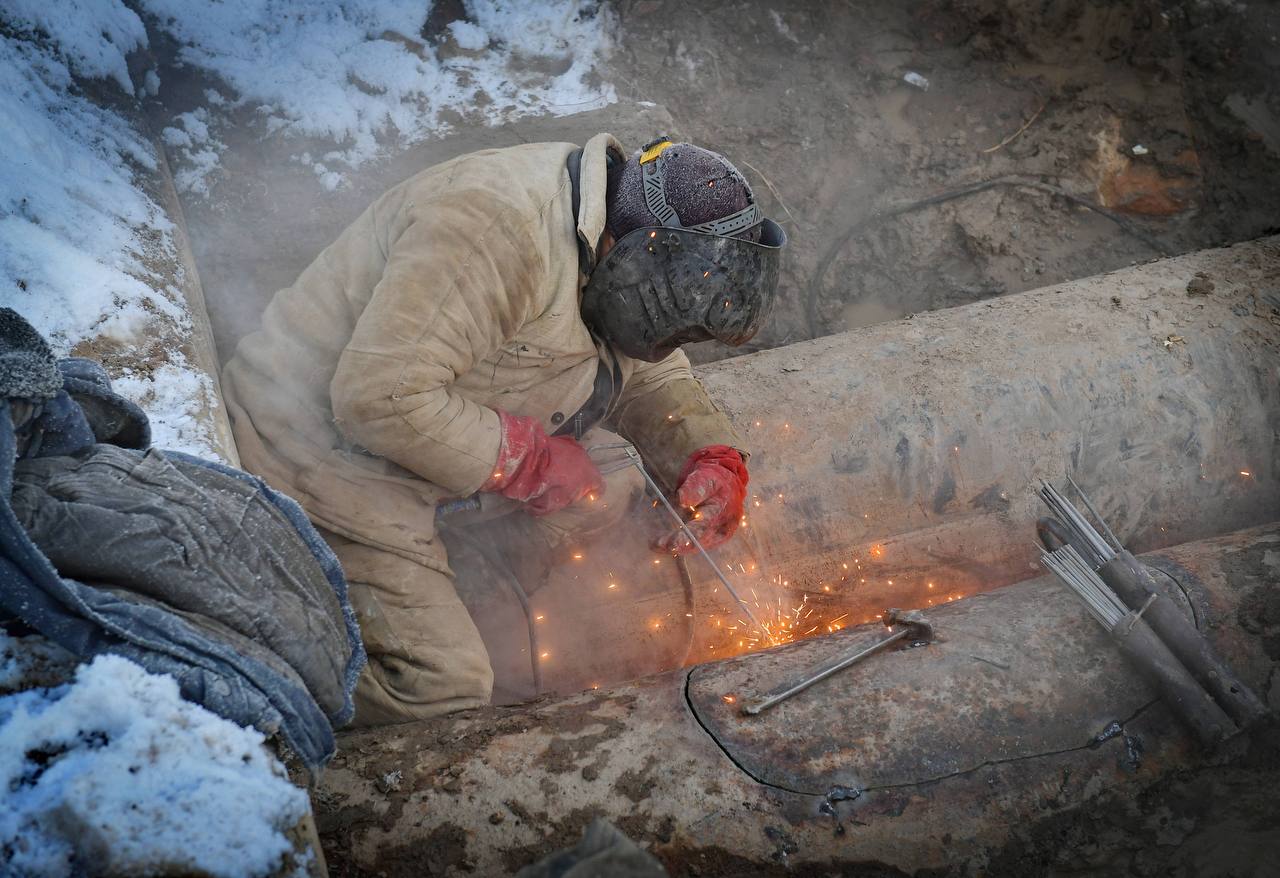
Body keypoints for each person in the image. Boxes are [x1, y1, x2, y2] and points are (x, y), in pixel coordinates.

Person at [221, 134, 786, 725]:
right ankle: (264, 678)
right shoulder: (497, 231)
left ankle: (460, 589)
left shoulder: (614, 246)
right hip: (325, 449)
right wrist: (528, 462)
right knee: (446, 686)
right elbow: (376, 397)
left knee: (611, 488)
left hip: (438, 422)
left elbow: (648, 356)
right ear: (636, 254)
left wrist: (707, 453)